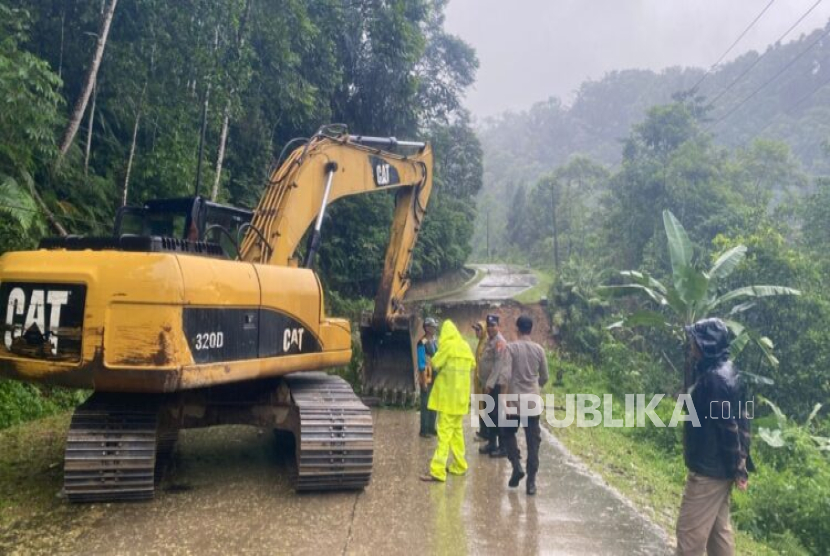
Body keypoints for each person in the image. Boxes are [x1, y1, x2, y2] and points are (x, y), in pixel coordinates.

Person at [676, 318, 754, 556]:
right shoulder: (727, 371)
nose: (692, 346)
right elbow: (741, 420)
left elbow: (728, 428)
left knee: (689, 533)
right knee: (718, 534)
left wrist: (739, 468)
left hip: (709, 471)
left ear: (706, 345)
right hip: (720, 470)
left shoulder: (714, 381)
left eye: (695, 341)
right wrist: (738, 465)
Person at [420, 320, 475, 482]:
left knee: (444, 435)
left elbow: (435, 363)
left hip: (448, 399)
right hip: (461, 400)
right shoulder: (465, 346)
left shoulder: (447, 346)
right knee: (457, 434)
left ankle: (437, 471)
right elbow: (473, 364)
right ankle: (459, 465)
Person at [503, 315, 549, 495]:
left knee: (507, 433)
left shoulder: (510, 348)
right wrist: (536, 386)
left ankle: (516, 465)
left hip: (514, 399)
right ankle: (531, 483)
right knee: (533, 442)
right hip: (532, 402)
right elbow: (544, 376)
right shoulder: (539, 350)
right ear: (531, 330)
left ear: (517, 329)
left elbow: (505, 374)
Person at [479, 314, 510, 458]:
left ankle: (503, 447)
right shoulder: (489, 340)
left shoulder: (500, 342)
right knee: (490, 414)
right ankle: (492, 443)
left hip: (495, 385)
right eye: (489, 325)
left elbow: (498, 365)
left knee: (497, 415)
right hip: (487, 384)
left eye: (493, 325)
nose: (491, 328)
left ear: (498, 326)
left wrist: (490, 384)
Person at [417, 317, 439, 437]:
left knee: (434, 401)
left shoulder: (434, 340)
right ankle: (424, 429)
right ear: (426, 328)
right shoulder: (422, 342)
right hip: (426, 374)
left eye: (434, 326)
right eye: (431, 326)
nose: (434, 328)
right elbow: (421, 363)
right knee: (425, 402)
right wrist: (423, 381)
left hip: (435, 374)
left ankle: (432, 427)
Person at [472, 321, 488, 441]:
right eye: (476, 330)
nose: (476, 332)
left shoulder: (486, 343)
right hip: (479, 380)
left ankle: (486, 434)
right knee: (480, 406)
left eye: (478, 330)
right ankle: (483, 431)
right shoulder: (480, 343)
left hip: (483, 381)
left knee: (485, 407)